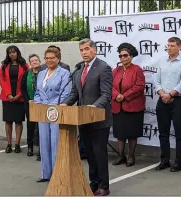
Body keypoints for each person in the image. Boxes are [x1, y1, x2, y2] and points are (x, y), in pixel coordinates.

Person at [62, 38, 113, 196]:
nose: (84, 52)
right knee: (89, 153)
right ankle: (94, 182)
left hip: (98, 119)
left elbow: (106, 94)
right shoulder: (79, 70)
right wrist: (65, 104)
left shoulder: (103, 68)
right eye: (81, 50)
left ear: (94, 50)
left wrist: (94, 107)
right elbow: (75, 93)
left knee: (99, 153)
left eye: (86, 49)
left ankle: (104, 186)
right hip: (82, 119)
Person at [154, 37, 181, 172]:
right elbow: (156, 80)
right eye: (168, 45)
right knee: (163, 132)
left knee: (179, 132)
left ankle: (179, 162)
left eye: (172, 45)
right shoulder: (161, 62)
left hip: (179, 101)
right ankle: (165, 160)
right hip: (162, 100)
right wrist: (162, 94)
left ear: (179, 47)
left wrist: (170, 94)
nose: (169, 48)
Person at [34, 48, 71, 183]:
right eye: (47, 58)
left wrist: (53, 106)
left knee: (56, 143)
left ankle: (57, 174)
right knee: (44, 143)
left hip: (56, 111)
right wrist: (39, 103)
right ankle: (46, 173)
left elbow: (65, 93)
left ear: (58, 59)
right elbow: (37, 92)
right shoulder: (41, 73)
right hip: (42, 111)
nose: (49, 60)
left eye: (52, 58)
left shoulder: (64, 73)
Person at [111, 43, 145, 167]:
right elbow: (110, 85)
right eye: (120, 56)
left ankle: (131, 156)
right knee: (120, 133)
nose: (122, 58)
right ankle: (121, 156)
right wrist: (116, 95)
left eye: (125, 55)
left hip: (133, 106)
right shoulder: (116, 70)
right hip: (117, 106)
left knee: (131, 133)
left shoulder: (137, 69)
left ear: (131, 56)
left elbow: (139, 86)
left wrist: (124, 96)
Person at [0, 45, 29, 153]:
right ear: (8, 54)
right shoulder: (4, 66)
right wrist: (8, 95)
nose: (12, 54)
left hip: (19, 98)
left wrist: (19, 95)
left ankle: (17, 144)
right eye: (10, 53)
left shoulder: (25, 65)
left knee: (18, 121)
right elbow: (2, 81)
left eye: (14, 52)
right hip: (7, 98)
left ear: (17, 53)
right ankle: (9, 144)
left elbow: (27, 81)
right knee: (8, 121)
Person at [21, 54, 41, 160]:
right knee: (31, 126)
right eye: (32, 61)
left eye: (36, 60)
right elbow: (23, 89)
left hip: (42, 104)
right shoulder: (26, 74)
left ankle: (41, 149)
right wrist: (28, 99)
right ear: (30, 63)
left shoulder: (44, 73)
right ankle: (30, 147)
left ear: (40, 62)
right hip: (30, 104)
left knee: (41, 126)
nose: (34, 62)